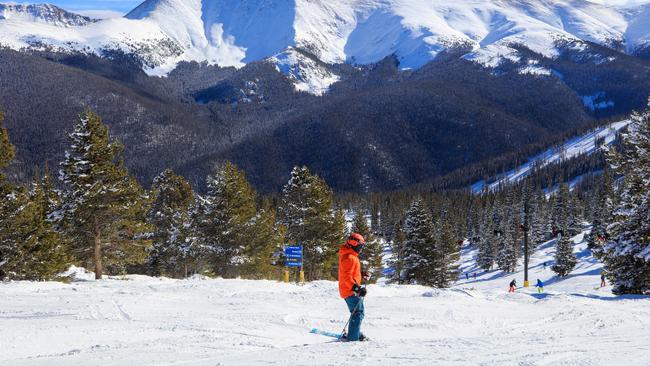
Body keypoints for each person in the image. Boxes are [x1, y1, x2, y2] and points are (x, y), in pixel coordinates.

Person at [338, 233, 368, 342]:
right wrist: (357, 289)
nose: (361, 248)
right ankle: (353, 337)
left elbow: (350, 272)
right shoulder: (350, 257)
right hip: (349, 290)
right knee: (358, 312)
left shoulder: (350, 256)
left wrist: (361, 273)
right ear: (354, 244)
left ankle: (354, 332)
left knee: (357, 312)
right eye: (360, 246)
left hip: (349, 289)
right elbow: (346, 277)